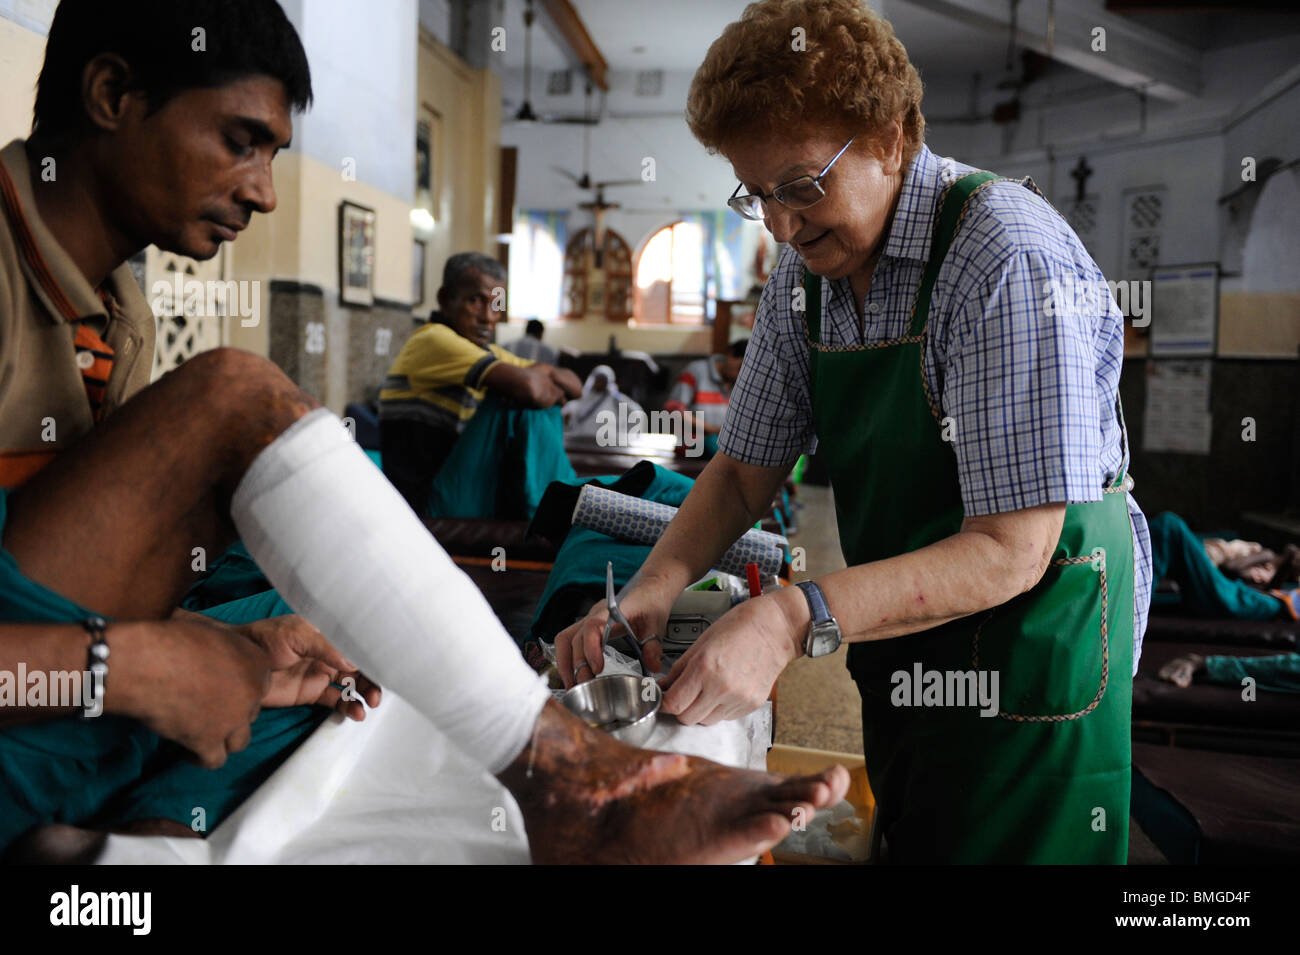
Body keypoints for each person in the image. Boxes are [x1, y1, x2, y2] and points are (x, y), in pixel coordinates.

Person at [0, 0, 848, 864]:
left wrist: (223, 649)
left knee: (346, 646)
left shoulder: (119, 313)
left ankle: (126, 854)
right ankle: (564, 776)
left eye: (274, 154)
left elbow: (94, 581)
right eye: (239, 140)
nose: (261, 189)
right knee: (231, 400)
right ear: (111, 94)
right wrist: (138, 667)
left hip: (50, 691)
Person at [558, 0, 1150, 864]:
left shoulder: (1003, 256)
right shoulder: (805, 279)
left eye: (801, 185)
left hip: (1034, 650)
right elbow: (740, 473)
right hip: (909, 629)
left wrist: (789, 619)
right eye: (756, 195)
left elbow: (1011, 550)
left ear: (891, 136)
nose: (782, 225)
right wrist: (653, 585)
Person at [378, 254, 581, 513]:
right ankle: (556, 508)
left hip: (458, 488)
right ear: (445, 299)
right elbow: (530, 389)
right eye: (475, 301)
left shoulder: (484, 351)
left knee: (523, 395)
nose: (487, 317)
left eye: (496, 305)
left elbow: (576, 386)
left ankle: (558, 499)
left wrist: (539, 377)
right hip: (426, 500)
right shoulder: (433, 339)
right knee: (521, 401)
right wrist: (539, 379)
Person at [1148, 512, 1300, 620]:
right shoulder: (1278, 577)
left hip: (1238, 599)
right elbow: (1271, 593)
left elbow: (1231, 570)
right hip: (1245, 595)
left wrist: (1283, 565)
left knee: (1169, 526)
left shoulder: (1269, 575)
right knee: (1168, 529)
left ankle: (1133, 603)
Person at [664, 339, 746, 455]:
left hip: (721, 444)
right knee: (717, 447)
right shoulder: (696, 371)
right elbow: (673, 411)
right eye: (740, 368)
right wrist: (713, 430)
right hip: (692, 442)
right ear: (730, 355)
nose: (741, 374)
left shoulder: (740, 382)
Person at [563, 364, 645, 440]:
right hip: (582, 440)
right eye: (598, 379)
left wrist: (626, 432)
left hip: (607, 443)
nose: (600, 383)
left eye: (603, 380)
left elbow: (636, 412)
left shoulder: (616, 399)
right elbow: (570, 411)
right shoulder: (584, 397)